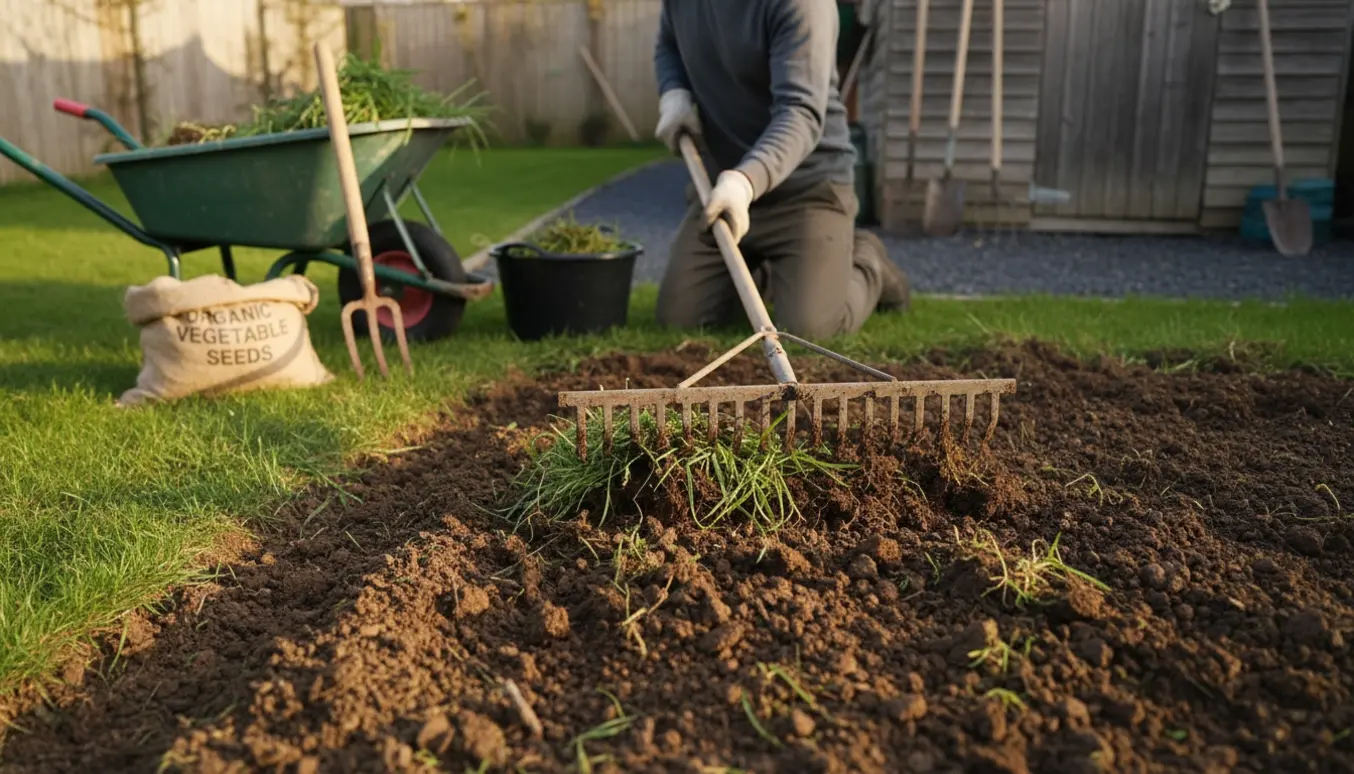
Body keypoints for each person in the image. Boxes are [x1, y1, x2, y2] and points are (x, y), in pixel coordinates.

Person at [651, 0, 910, 341]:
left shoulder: (801, 5)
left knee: (809, 330)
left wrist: (746, 182)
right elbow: (668, 44)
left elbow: (801, 114)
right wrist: (673, 91)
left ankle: (866, 259)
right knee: (680, 319)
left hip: (807, 191)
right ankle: (784, 273)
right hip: (724, 196)